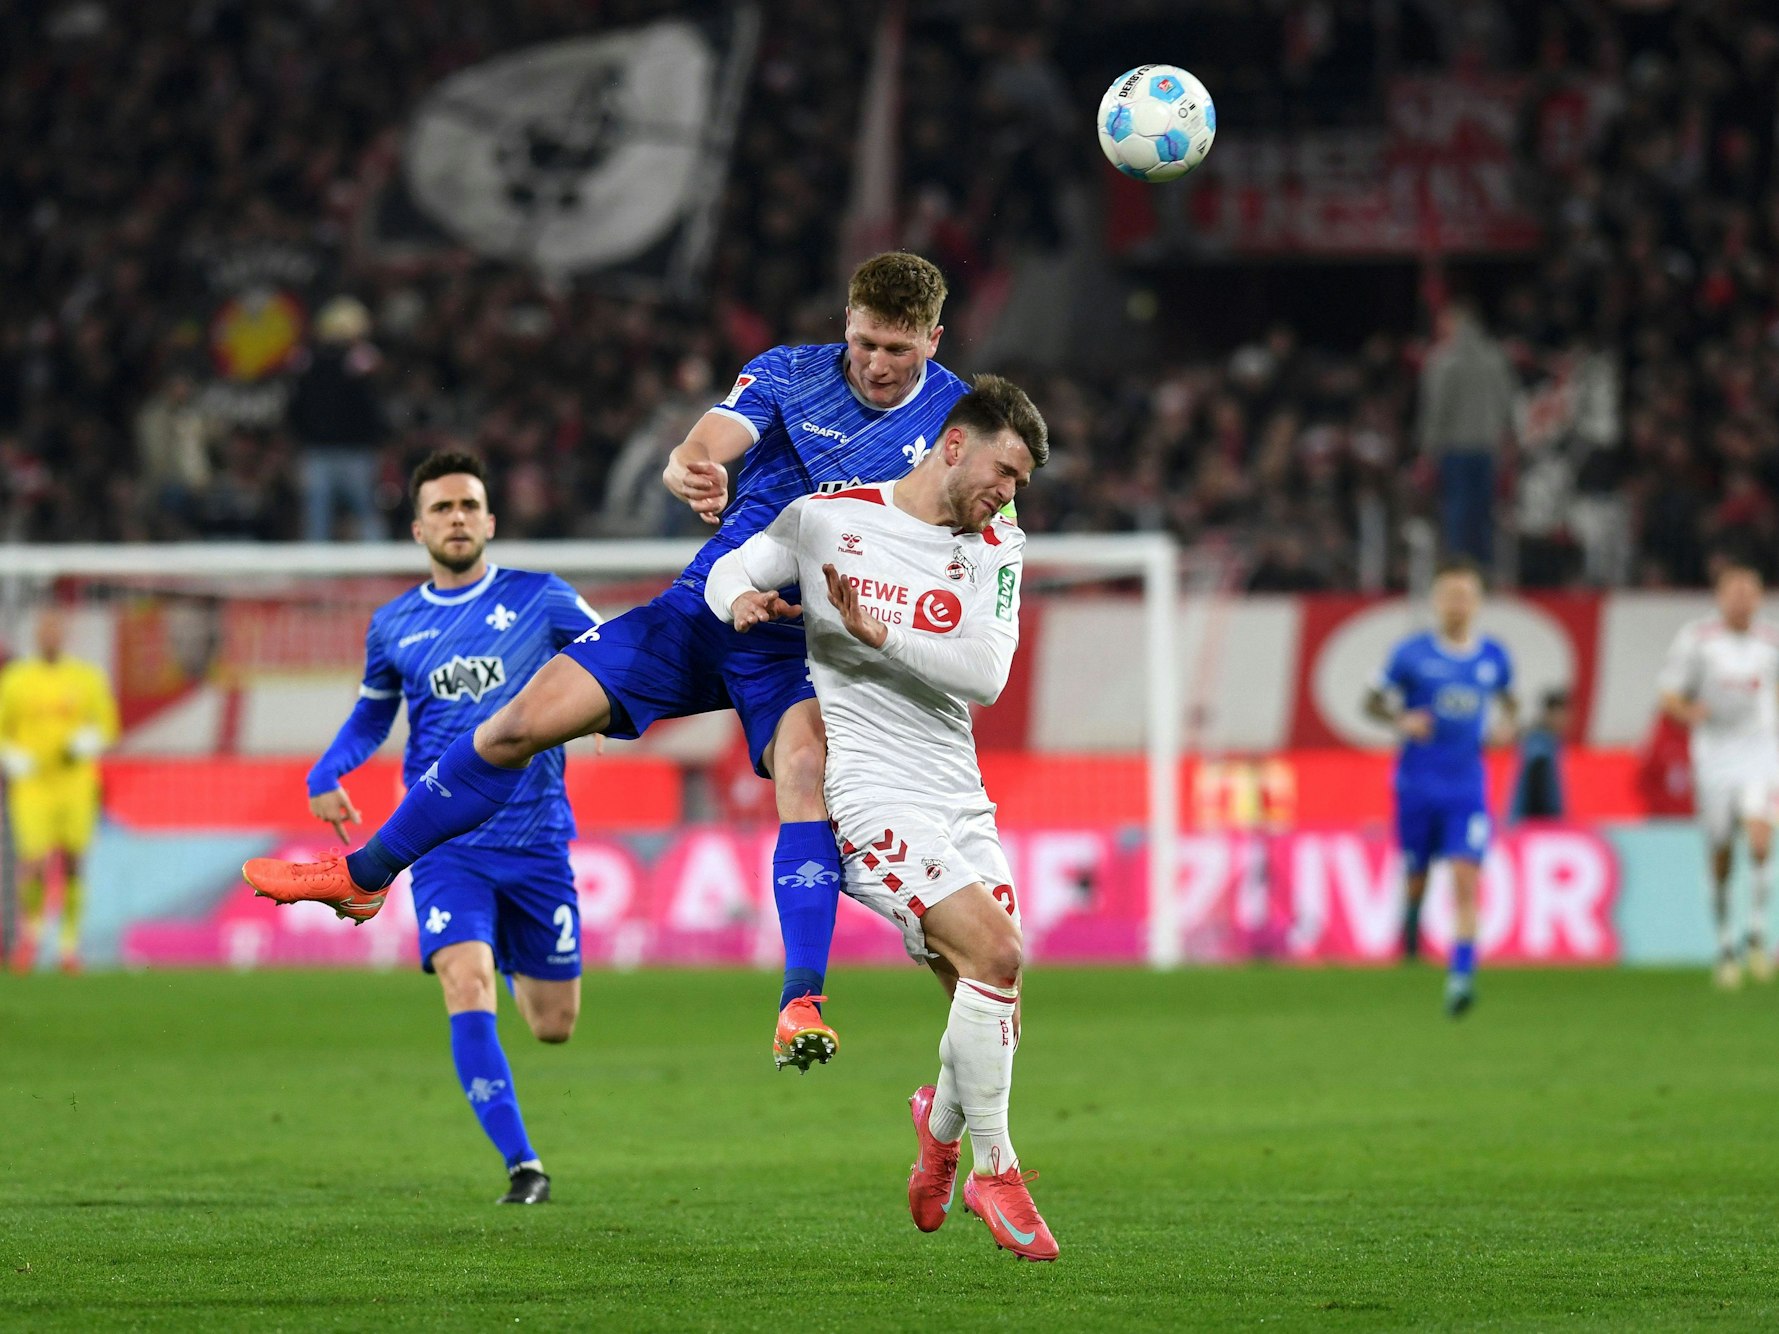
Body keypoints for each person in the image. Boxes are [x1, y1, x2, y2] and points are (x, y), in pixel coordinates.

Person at [241, 252, 971, 1070]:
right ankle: (367, 874)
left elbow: (963, 556)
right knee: (516, 723)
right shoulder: (790, 375)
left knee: (805, 768)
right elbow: (707, 440)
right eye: (864, 342)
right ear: (847, 322)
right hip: (698, 612)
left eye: (896, 351)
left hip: (802, 644)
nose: (874, 364)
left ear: (932, 342)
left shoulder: (959, 429)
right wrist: (688, 467)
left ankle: (800, 999)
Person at [705, 374, 1058, 1261]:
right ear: (953, 444)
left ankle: (936, 1131)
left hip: (957, 795)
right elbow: (731, 570)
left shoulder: (997, 545)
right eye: (1003, 472)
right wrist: (740, 603)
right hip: (871, 795)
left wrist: (879, 636)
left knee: (994, 1000)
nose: (1007, 495)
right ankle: (995, 1169)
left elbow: (985, 675)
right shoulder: (828, 517)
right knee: (998, 955)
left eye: (1018, 484)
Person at [252, 451, 602, 1203]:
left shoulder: (543, 599)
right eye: (441, 508)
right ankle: (523, 1166)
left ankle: (507, 952)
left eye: (468, 506)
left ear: (490, 521)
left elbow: (616, 656)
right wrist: (325, 773)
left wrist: (608, 701)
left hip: (536, 835)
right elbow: (371, 718)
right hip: (444, 845)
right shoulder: (395, 625)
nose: (456, 519)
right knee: (464, 981)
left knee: (552, 1023)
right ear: (418, 528)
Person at [1364, 558, 1518, 1016]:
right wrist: (1400, 719)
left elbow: (1510, 703)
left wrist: (1507, 727)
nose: (1456, 604)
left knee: (1466, 878)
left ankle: (1461, 976)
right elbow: (1370, 701)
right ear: (1435, 601)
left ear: (1478, 602)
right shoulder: (1410, 654)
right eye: (1449, 595)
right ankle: (1410, 935)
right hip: (1416, 783)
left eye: (1465, 595)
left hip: (1467, 786)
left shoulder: (1494, 657)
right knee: (1417, 875)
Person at [1657, 557, 1779, 989]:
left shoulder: (1771, 641)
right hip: (1713, 758)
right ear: (1720, 596)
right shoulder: (1697, 640)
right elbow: (1668, 694)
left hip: (1762, 755)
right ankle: (1725, 942)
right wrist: (1688, 710)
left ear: (1760, 595)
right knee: (1722, 854)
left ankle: (1758, 935)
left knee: (1762, 840)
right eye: (1735, 592)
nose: (1743, 600)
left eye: (1751, 591)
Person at [0, 609, 119, 972]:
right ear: (36, 635)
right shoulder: (16, 680)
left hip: (76, 784)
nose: (50, 635)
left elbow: (109, 725)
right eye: (44, 628)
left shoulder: (86, 678)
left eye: (56, 628)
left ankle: (69, 945)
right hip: (32, 785)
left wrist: (87, 741)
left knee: (73, 862)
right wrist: (10, 754)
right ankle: (31, 939)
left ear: (64, 634)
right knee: (33, 862)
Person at [1416, 300, 1518, 569]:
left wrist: (1427, 448)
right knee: (1484, 508)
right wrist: (1508, 437)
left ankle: (1458, 563)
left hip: (1455, 446)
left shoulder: (1443, 360)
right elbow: (1508, 402)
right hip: (1487, 445)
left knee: (1457, 507)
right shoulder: (1495, 357)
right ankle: (1485, 565)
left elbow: (1437, 408)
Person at [289, 295, 389, 543]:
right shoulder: (307, 361)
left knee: (362, 511)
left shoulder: (360, 361)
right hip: (323, 451)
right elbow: (298, 405)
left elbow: (371, 403)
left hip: (352, 451)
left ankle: (377, 562)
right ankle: (318, 569)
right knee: (319, 516)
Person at [1510, 688, 1571, 821]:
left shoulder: (1552, 741)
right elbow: (1538, 783)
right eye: (1561, 713)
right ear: (1549, 714)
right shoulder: (1539, 742)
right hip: (1534, 822)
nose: (1566, 719)